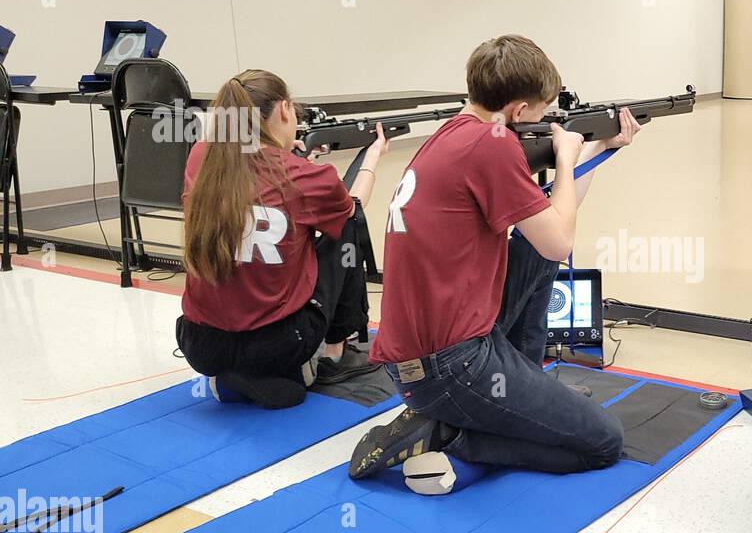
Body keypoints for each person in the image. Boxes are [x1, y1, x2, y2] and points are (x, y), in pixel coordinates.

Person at [349, 35, 639, 482]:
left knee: (531, 247)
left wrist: (602, 149)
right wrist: (565, 158)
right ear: (519, 112)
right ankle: (450, 436)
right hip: (451, 366)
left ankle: (507, 393)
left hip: (424, 355)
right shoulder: (493, 145)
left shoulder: (451, 134)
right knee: (603, 441)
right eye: (542, 113)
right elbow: (562, 242)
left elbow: (549, 229)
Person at [176, 69, 386, 409]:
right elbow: (352, 208)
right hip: (276, 343)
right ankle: (334, 353)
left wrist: (290, 158)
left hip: (200, 342)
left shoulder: (201, 157)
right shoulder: (305, 176)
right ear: (285, 110)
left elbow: (252, 180)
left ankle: (235, 376)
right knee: (345, 226)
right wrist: (372, 158)